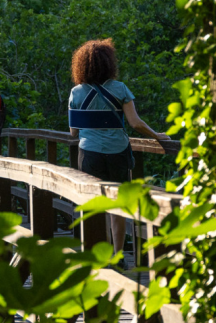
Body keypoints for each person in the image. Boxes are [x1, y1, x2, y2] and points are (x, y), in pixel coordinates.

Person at [68, 38, 170, 268]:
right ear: (109, 64)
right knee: (119, 204)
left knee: (96, 203)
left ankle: (99, 254)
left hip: (89, 153)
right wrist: (157, 135)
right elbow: (135, 123)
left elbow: (73, 133)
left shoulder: (76, 93)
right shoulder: (120, 89)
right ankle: (119, 254)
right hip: (118, 152)